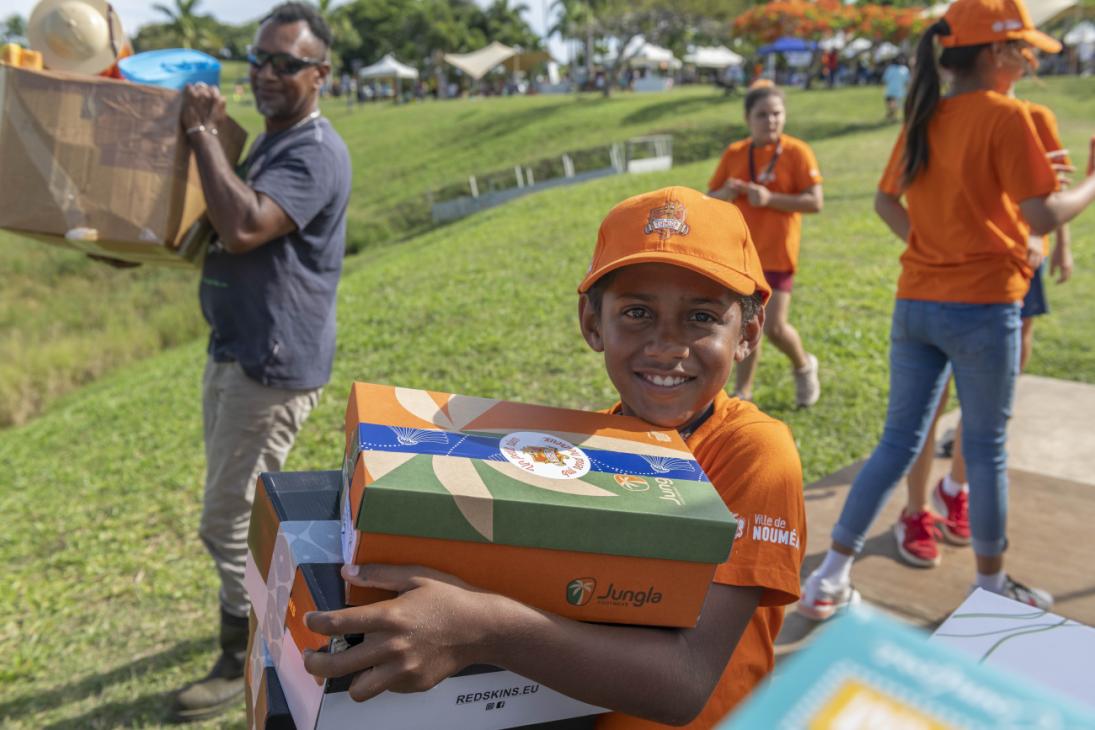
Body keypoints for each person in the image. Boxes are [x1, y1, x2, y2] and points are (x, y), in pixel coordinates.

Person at [301, 187, 806, 729]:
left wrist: (482, 627)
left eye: (701, 317)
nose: (666, 346)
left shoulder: (753, 452)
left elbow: (685, 684)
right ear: (592, 322)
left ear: (749, 332)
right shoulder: (591, 447)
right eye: (637, 312)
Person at [799, 0, 1095, 619]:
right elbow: (1042, 216)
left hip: (916, 307)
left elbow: (886, 202)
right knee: (984, 451)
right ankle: (989, 588)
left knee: (895, 446)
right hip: (983, 310)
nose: (1029, 58)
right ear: (993, 52)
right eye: (1022, 48)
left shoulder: (925, 115)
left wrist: (934, 250)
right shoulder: (1007, 117)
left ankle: (830, 575)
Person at [170, 3, 351, 721]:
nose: (265, 74)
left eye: (285, 63)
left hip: (270, 366)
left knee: (230, 522)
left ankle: (243, 652)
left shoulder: (313, 151)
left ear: (320, 74)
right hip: (238, 350)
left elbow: (244, 225)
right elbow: (221, 214)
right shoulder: (274, 142)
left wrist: (200, 133)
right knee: (243, 511)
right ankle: (253, 623)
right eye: (258, 59)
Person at [894, 93, 1074, 568]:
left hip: (1011, 276)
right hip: (952, 283)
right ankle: (916, 510)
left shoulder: (1034, 115)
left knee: (992, 400)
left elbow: (1048, 199)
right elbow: (906, 199)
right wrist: (933, 246)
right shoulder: (947, 115)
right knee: (929, 401)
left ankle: (957, 488)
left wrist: (1053, 243)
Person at [707, 85, 824, 407]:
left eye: (777, 114)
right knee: (746, 326)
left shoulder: (797, 152)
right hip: (741, 256)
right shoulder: (734, 153)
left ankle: (804, 366)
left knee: (772, 327)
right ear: (747, 118)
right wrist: (726, 194)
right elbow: (709, 200)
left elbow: (815, 201)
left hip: (778, 254)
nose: (770, 121)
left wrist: (771, 199)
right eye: (762, 114)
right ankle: (743, 392)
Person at [882, 54, 910, 122]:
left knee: (892, 104)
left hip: (895, 90)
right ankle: (892, 115)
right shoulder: (903, 69)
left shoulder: (903, 69)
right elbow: (907, 81)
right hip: (896, 90)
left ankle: (892, 116)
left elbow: (885, 79)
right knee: (893, 104)